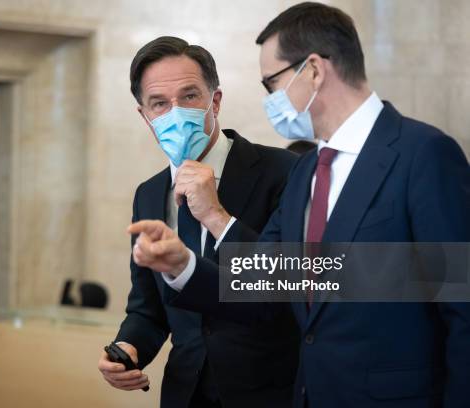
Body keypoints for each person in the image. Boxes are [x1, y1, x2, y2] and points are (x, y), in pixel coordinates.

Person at [126, 3, 470, 408]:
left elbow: (460, 305)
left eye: (271, 82)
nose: (270, 99)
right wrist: (180, 265)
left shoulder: (425, 153)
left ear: (313, 70)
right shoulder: (308, 170)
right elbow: (272, 279)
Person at [97, 36, 299, 408]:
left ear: (215, 101)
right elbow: (148, 307)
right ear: (145, 116)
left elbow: (292, 284)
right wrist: (127, 347)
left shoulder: (284, 172)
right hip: (186, 394)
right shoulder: (149, 194)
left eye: (189, 96)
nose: (175, 112)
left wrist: (216, 215)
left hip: (269, 392)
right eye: (159, 103)